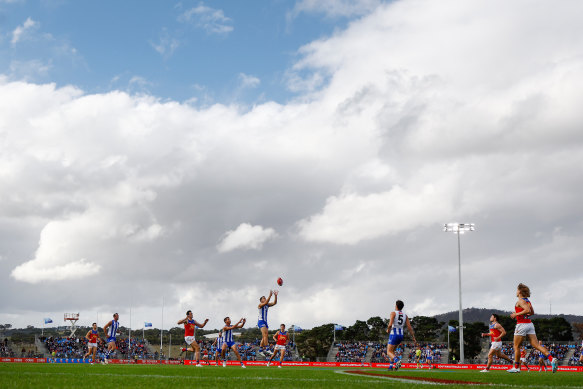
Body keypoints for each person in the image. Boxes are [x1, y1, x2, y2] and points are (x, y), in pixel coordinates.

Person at [507, 283, 557, 373]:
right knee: (536, 345)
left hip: (521, 325)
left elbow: (528, 310)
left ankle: (517, 368)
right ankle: (552, 359)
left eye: (517, 290)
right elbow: (532, 312)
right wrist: (523, 313)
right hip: (529, 324)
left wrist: (516, 314)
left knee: (516, 346)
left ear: (520, 291)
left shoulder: (521, 301)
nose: (516, 291)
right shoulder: (527, 301)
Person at [386, 300, 417, 371]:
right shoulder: (405, 315)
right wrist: (413, 337)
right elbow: (409, 327)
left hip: (394, 334)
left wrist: (388, 330)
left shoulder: (393, 313)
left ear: (396, 306)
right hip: (401, 335)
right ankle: (391, 366)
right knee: (392, 351)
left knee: (388, 352)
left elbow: (390, 324)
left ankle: (397, 361)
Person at [258, 290, 278, 357]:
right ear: (261, 300)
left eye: (265, 297)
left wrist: (275, 296)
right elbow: (266, 302)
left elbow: (275, 303)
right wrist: (270, 295)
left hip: (265, 322)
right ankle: (267, 348)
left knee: (264, 337)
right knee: (265, 335)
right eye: (263, 298)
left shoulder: (267, 305)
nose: (265, 298)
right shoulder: (260, 305)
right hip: (261, 321)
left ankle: (260, 350)